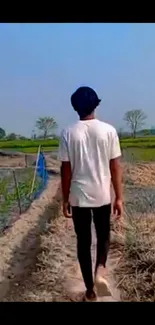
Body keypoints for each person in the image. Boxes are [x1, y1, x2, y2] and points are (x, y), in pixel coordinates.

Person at [59, 86, 123, 302]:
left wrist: (65, 198)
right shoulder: (109, 131)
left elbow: (66, 170)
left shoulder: (68, 132)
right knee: (104, 237)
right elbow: (115, 167)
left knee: (83, 242)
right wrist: (119, 197)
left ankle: (89, 291)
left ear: (75, 107)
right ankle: (101, 271)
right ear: (96, 104)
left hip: (79, 196)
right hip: (102, 195)